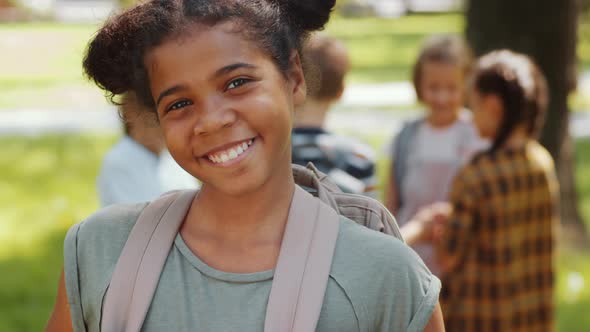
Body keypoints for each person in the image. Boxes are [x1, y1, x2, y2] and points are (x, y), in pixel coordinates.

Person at [45, 0, 444, 331]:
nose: (213, 119)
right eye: (179, 104)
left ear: (294, 77)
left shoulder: (385, 277)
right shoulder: (99, 253)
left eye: (237, 83)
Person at [412, 50, 558, 331]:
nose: (472, 115)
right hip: (530, 317)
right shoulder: (541, 162)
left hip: (480, 319)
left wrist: (437, 227)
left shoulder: (476, 174)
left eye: (474, 105)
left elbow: (449, 257)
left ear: (492, 106)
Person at [384, 35, 484, 275]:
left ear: (466, 86)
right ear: (419, 85)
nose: (442, 98)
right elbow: (391, 201)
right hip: (410, 257)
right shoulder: (406, 136)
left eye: (451, 89)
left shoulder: (476, 135)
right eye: (433, 88)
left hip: (460, 262)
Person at [291, 34, 377, 196]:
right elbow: (373, 217)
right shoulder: (360, 156)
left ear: (293, 85)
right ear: (341, 91)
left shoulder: (273, 151)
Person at [97, 92, 199, 207]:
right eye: (154, 112)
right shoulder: (120, 161)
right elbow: (140, 219)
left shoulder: (172, 158)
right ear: (131, 112)